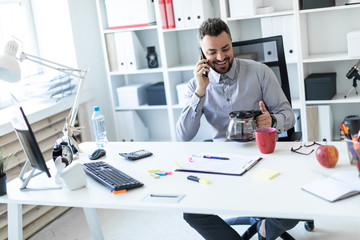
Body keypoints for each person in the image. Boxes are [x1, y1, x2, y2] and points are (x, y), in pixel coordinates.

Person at [176, 18, 298, 240]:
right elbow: (184, 134)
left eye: (226, 48)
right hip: (223, 160)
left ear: (232, 43)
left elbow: (289, 117)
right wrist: (201, 92)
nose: (221, 57)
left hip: (262, 156)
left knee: (295, 209)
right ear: (201, 53)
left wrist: (271, 122)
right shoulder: (196, 84)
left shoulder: (259, 72)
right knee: (191, 211)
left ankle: (264, 230)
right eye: (212, 52)